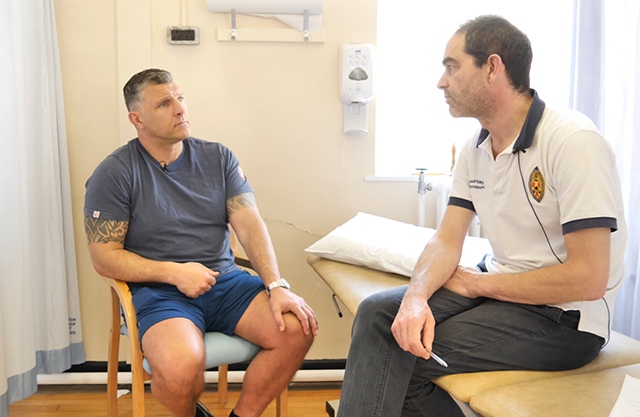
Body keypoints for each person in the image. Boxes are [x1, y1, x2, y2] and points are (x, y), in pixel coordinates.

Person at [337, 15, 627, 417]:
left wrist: (479, 286)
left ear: (492, 67)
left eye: (452, 66)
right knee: (378, 313)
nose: (442, 82)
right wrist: (416, 299)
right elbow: (446, 238)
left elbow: (589, 277)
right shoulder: (475, 148)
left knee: (401, 356)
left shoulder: (573, 142)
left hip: (567, 318)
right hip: (500, 289)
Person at [84, 68, 318, 417]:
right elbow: (105, 258)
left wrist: (276, 285)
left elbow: (250, 225)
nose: (180, 109)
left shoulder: (218, 158)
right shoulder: (115, 172)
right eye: (165, 103)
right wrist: (174, 273)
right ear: (137, 119)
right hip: (159, 291)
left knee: (298, 327)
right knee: (181, 367)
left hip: (226, 282)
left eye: (180, 97)